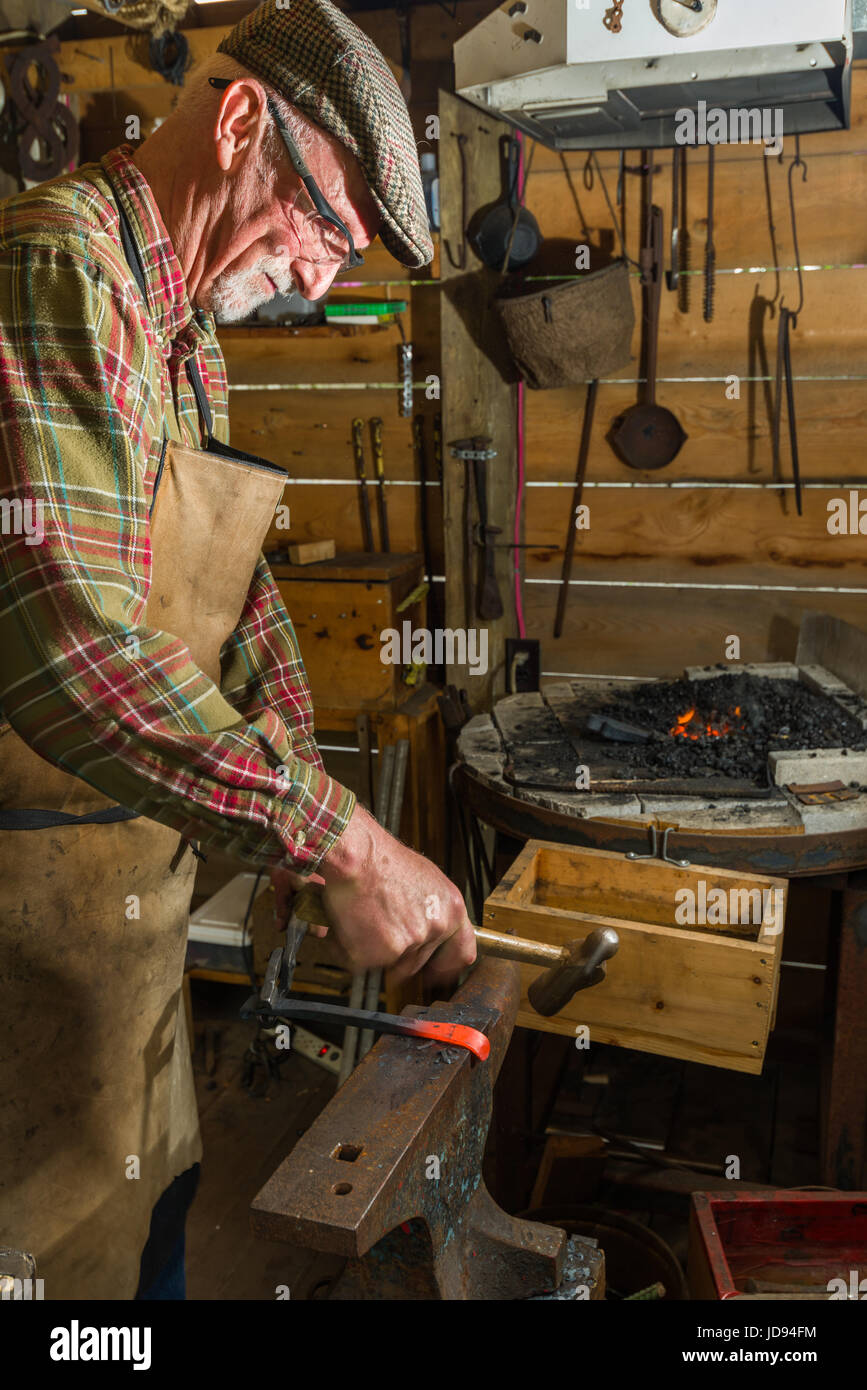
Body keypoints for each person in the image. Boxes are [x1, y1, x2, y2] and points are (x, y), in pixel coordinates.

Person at [0, 0, 475, 1301]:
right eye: (327, 227)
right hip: (19, 929)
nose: (322, 281)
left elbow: (233, 604)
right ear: (243, 117)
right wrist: (340, 840)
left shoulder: (188, 335)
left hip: (120, 934)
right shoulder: (57, 272)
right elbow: (78, 652)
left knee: (149, 1226)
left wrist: (301, 833)